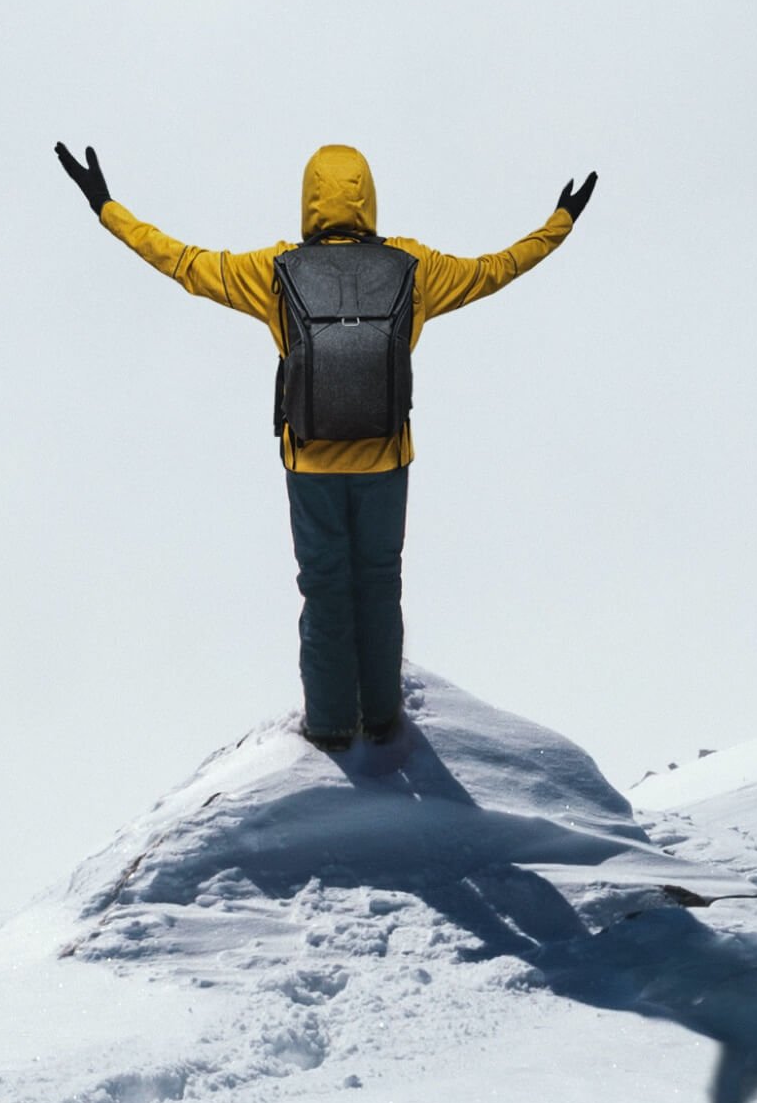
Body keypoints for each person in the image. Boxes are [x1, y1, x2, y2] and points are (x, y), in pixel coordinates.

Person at [55, 142, 594, 752]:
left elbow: (181, 261)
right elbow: (497, 268)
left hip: (309, 461)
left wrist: (106, 206)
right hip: (386, 458)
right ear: (368, 197)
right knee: (380, 583)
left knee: (324, 587)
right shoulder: (415, 267)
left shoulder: (275, 270)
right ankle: (384, 720)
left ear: (310, 199)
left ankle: (332, 727)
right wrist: (561, 223)